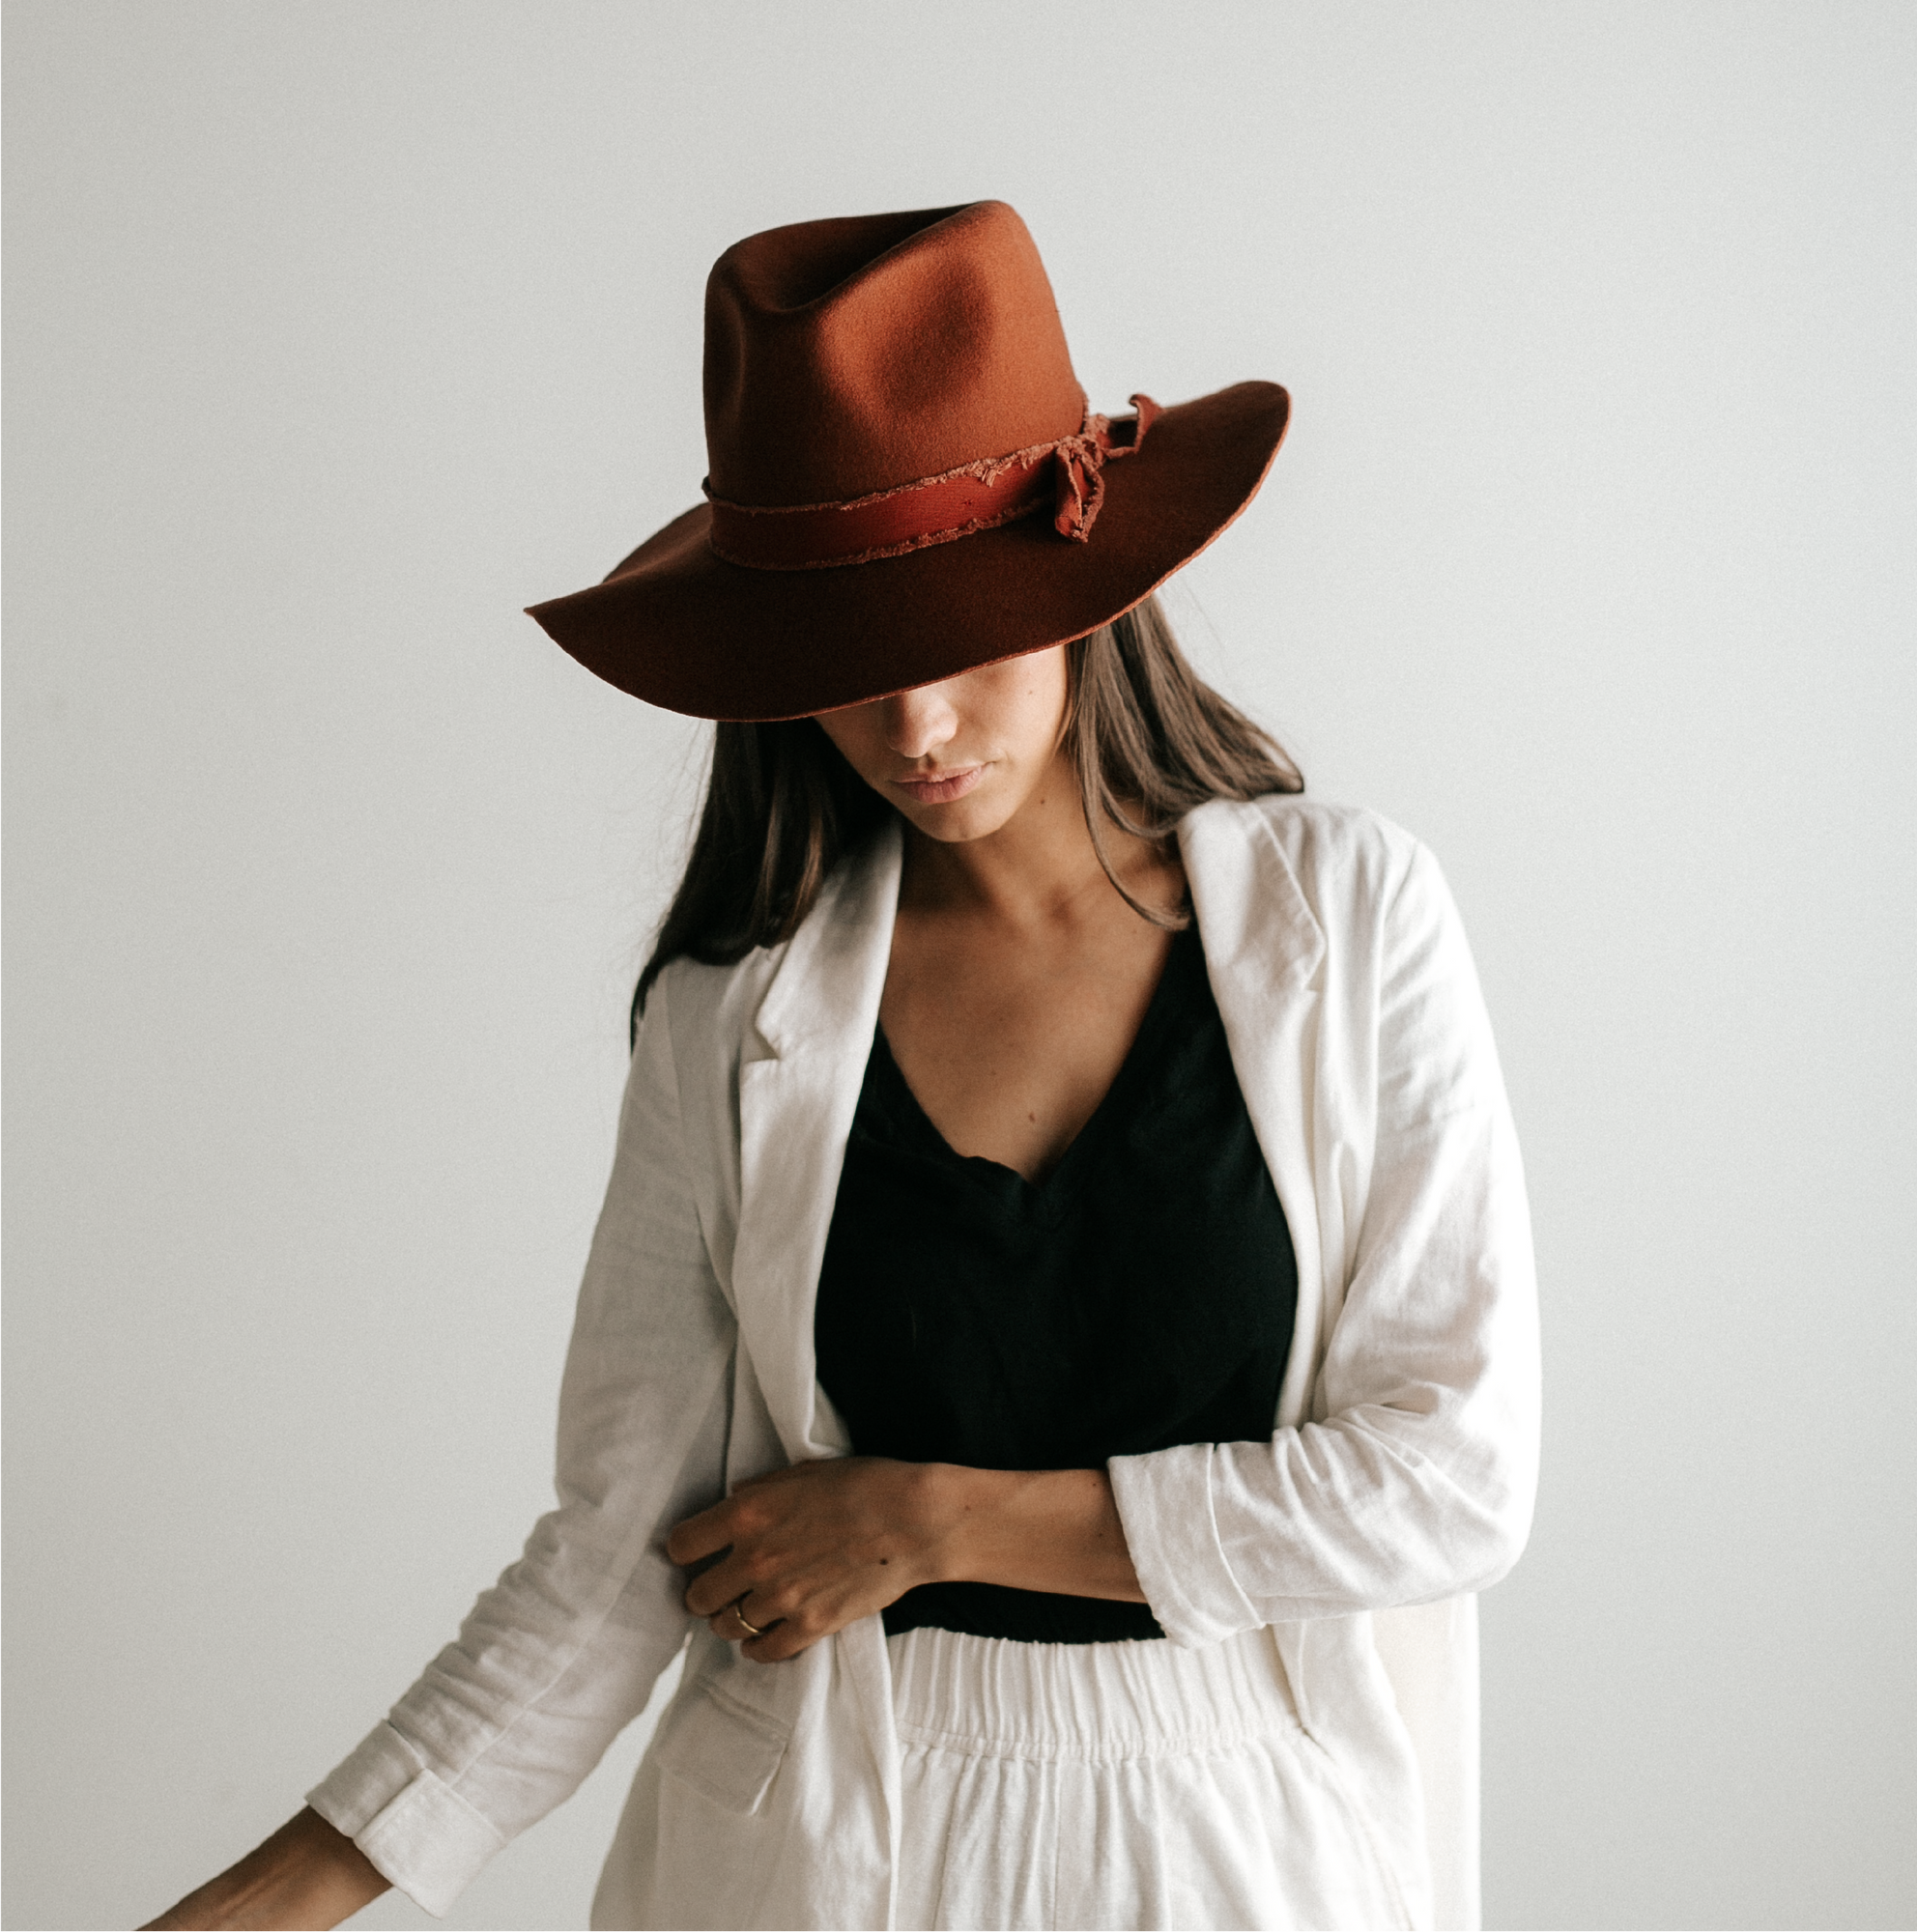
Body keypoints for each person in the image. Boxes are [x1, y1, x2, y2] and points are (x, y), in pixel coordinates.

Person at [141, 201, 1539, 1932]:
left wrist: (936, 1522)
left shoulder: (1350, 917)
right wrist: (257, 1905)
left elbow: (1447, 1481)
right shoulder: (729, 1017)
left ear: (1083, 590)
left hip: (1239, 1846)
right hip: (817, 1854)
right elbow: (613, 1564)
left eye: (965, 636)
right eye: (849, 663)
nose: (917, 728)